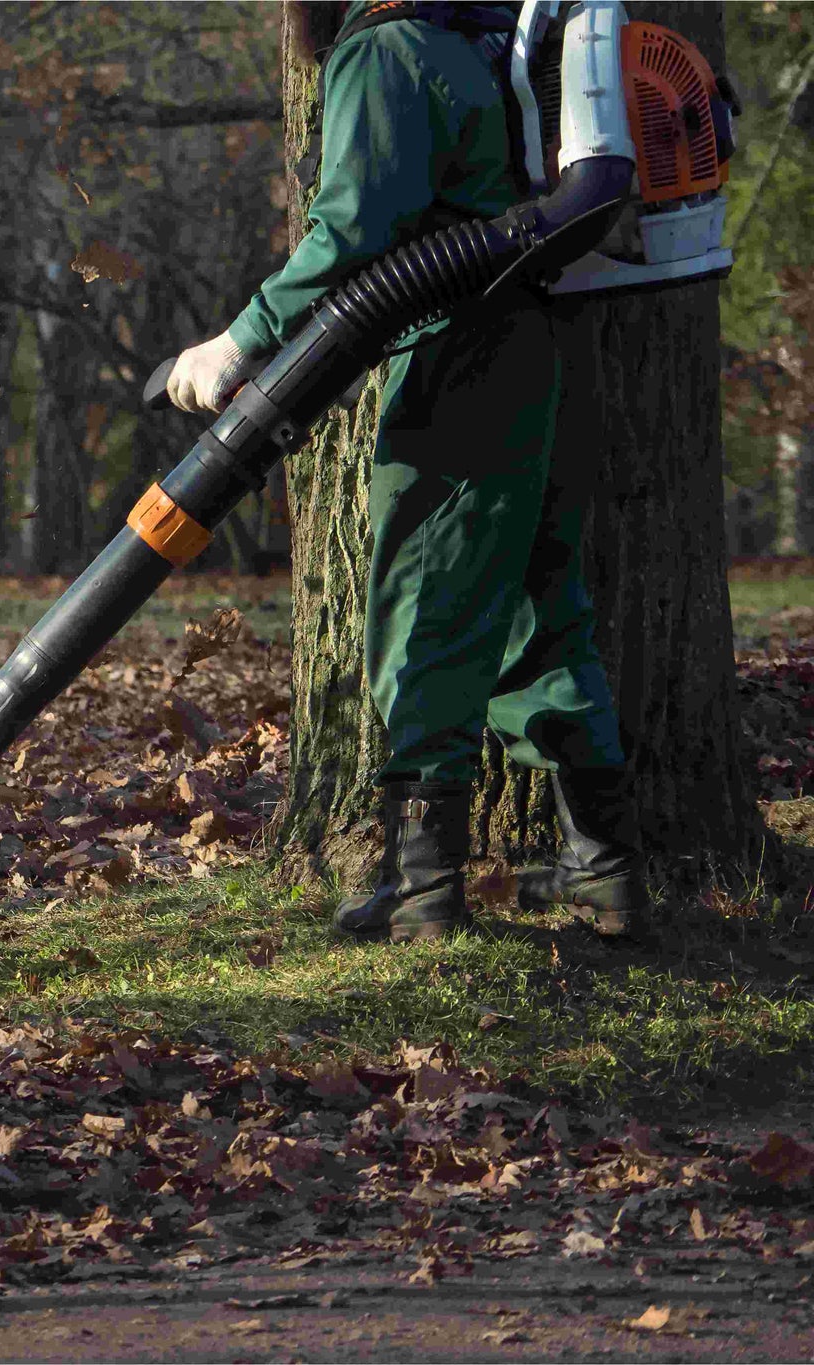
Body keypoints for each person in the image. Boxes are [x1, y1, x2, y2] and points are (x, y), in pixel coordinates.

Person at [166, 0, 646, 942]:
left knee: (427, 602)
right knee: (538, 600)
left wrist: (240, 341)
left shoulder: (389, 51)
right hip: (544, 349)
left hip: (460, 356)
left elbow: (351, 233)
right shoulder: (485, 43)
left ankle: (423, 888)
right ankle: (606, 869)